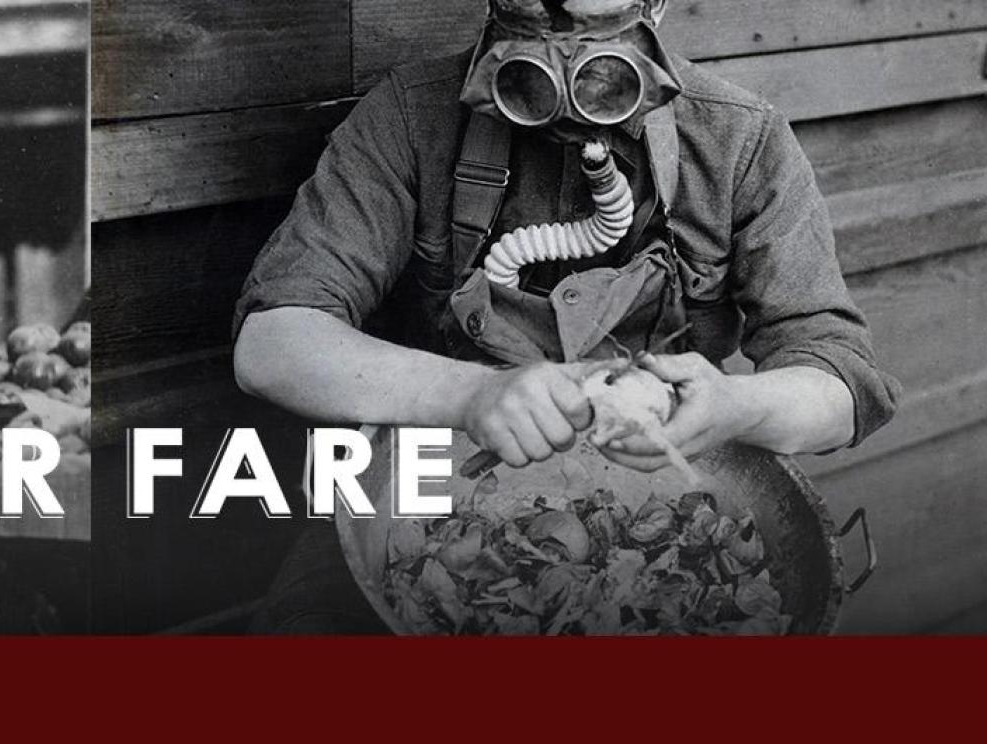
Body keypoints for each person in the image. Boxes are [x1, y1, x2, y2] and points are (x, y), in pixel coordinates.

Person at [232, 0, 901, 633]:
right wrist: (471, 393)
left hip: (655, 502)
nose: (564, 57)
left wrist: (733, 406)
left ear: (655, 8)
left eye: (593, 29)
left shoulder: (739, 139)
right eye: (535, 19)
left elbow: (844, 385)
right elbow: (271, 342)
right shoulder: (410, 117)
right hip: (427, 491)